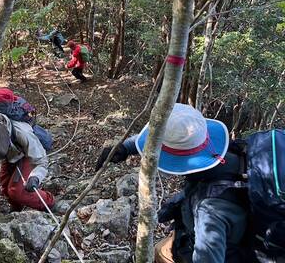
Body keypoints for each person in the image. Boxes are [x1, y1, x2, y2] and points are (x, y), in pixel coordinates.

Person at [96, 103, 249, 263]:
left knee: (160, 252)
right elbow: (165, 140)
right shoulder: (234, 152)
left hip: (232, 251)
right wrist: (126, 147)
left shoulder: (209, 213)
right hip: (230, 231)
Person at [0, 112, 55, 211]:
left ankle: (50, 203)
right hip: (11, 154)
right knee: (5, 188)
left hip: (27, 155)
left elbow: (41, 161)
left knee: (17, 191)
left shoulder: (23, 134)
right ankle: (17, 210)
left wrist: (35, 177)